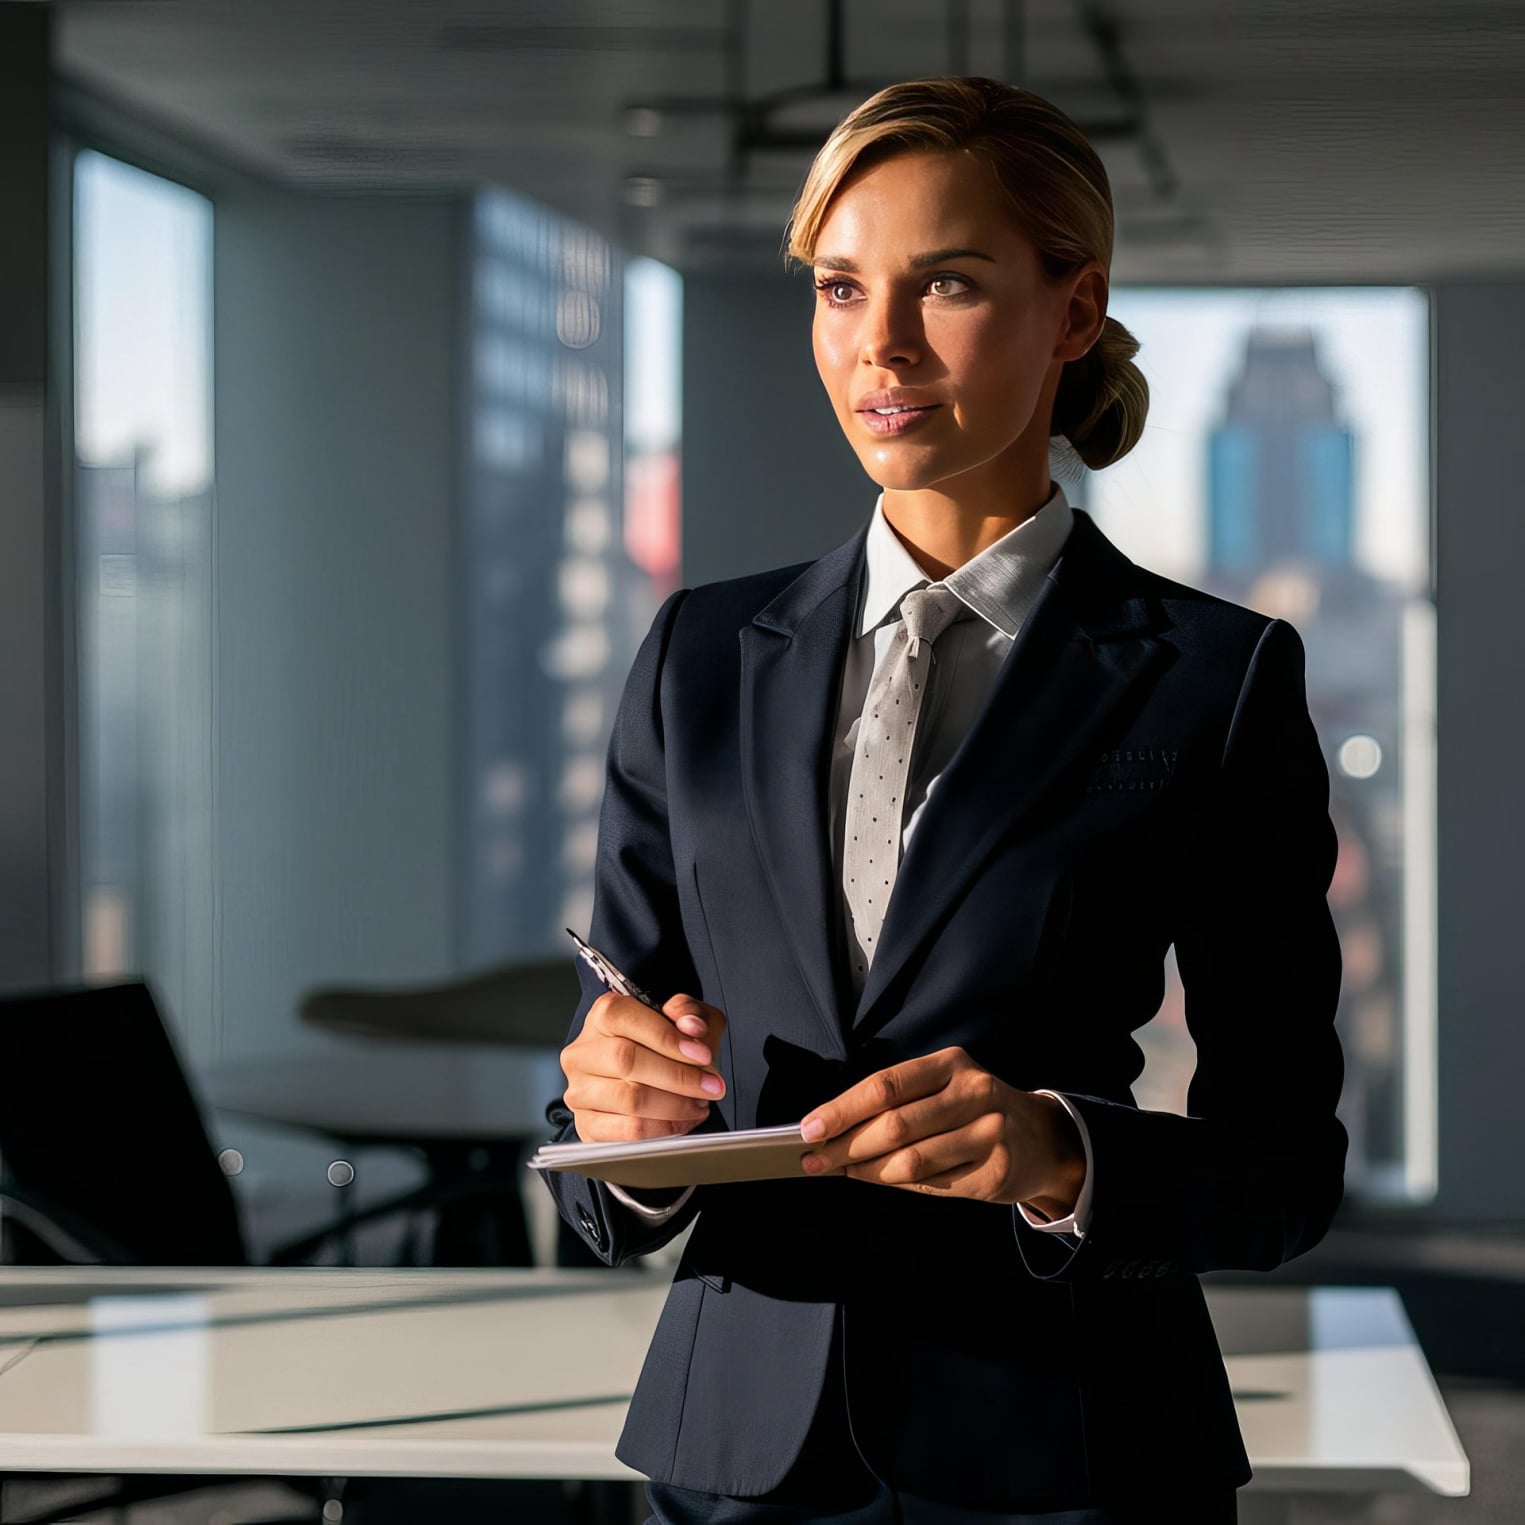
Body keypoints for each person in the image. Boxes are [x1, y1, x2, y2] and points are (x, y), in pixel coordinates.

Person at [542, 74, 1346, 1525]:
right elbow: (615, 1109)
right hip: (733, 1458)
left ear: (1072, 312)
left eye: (950, 284)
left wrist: (1063, 1156)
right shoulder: (699, 658)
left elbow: (1282, 1164)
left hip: (1071, 1444)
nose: (880, 346)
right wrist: (612, 1115)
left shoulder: (1213, 680)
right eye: (841, 288)